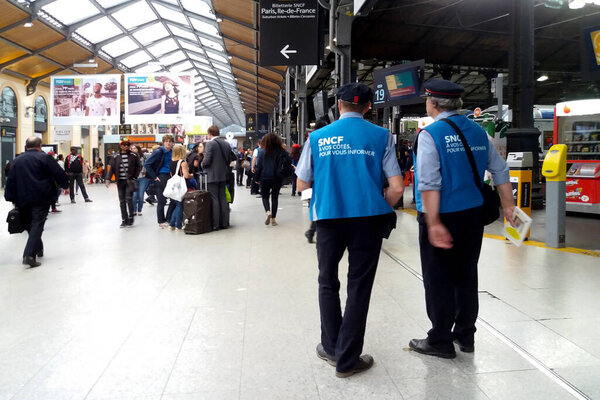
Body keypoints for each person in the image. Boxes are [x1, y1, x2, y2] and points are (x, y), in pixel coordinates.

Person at [296, 83, 404, 378]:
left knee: (327, 281)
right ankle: (347, 359)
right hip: (368, 221)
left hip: (329, 219)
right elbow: (397, 187)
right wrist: (379, 202)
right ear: (368, 107)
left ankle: (331, 347)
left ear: (339, 106)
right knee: (359, 286)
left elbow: (302, 185)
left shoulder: (317, 137)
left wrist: (317, 201)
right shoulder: (382, 136)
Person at [408, 78, 515, 359]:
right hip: (472, 216)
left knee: (438, 278)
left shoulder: (430, 135)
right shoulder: (479, 133)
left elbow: (429, 183)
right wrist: (509, 207)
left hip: (442, 214)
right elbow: (501, 171)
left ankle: (440, 340)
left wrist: (433, 223)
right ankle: (465, 335)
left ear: (432, 103)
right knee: (466, 274)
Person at [4, 137, 68, 267]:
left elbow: (10, 180)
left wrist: (9, 196)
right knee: (37, 224)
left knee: (30, 225)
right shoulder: (44, 158)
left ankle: (38, 249)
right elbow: (58, 172)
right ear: (40, 146)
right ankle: (29, 255)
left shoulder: (17, 160)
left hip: (22, 199)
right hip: (41, 197)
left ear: (26, 146)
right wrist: (65, 185)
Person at [201, 125, 236, 231]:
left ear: (209, 133)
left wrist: (202, 164)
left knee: (214, 199)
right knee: (223, 198)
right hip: (223, 175)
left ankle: (216, 224)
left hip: (212, 176)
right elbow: (232, 157)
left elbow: (207, 161)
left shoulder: (210, 144)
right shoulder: (225, 144)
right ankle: (224, 222)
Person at [254, 133, 291, 227]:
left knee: (265, 196)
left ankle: (267, 211)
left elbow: (259, 167)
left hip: (264, 177)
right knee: (275, 197)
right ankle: (273, 219)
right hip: (277, 178)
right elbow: (287, 162)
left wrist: (256, 178)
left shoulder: (262, 152)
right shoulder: (282, 151)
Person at [105, 138, 141, 228]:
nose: (126, 146)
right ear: (120, 145)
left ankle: (130, 217)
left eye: (128, 144)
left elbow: (139, 166)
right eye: (124, 144)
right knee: (122, 201)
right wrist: (108, 179)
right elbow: (112, 168)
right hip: (120, 181)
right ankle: (124, 219)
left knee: (129, 199)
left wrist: (134, 176)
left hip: (130, 180)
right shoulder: (115, 156)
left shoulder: (134, 155)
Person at [304, 118, 329, 243]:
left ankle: (312, 231)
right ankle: (313, 231)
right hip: (326, 181)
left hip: (315, 183)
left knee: (317, 208)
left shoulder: (312, 140)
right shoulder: (327, 139)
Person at [144, 134, 174, 228]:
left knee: (174, 198)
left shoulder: (172, 152)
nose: (168, 143)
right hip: (162, 176)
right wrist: (154, 177)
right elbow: (147, 164)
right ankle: (161, 221)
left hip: (171, 176)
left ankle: (168, 218)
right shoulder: (158, 152)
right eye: (166, 141)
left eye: (170, 141)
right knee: (162, 199)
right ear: (163, 142)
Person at [168, 144, 192, 230]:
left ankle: (172, 224)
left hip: (174, 186)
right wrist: (192, 175)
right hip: (182, 185)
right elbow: (186, 175)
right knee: (180, 205)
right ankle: (178, 225)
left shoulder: (171, 161)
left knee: (177, 204)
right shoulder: (183, 162)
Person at [131, 145, 148, 216]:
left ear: (138, 149)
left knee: (141, 195)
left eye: (134, 148)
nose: (133, 149)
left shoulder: (143, 157)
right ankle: (134, 210)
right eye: (131, 148)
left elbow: (147, 165)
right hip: (134, 178)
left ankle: (139, 210)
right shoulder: (130, 157)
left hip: (143, 178)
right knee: (134, 195)